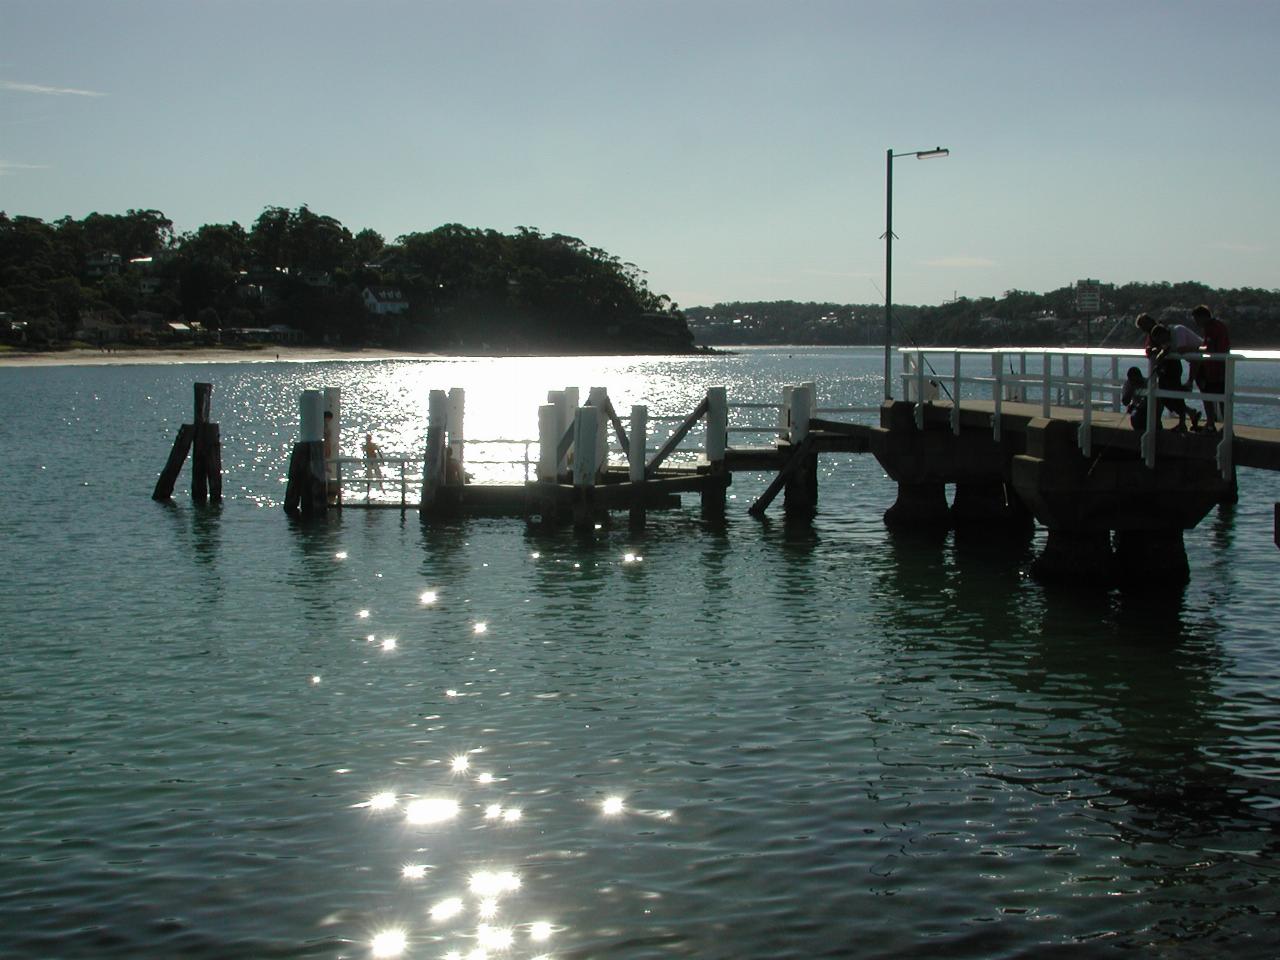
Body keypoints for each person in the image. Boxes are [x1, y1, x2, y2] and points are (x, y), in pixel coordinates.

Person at [1147, 325, 1196, 431]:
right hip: (1166, 369)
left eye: (1159, 338)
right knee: (1165, 397)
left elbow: (1167, 349)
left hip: (1173, 369)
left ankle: (1182, 422)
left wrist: (1160, 354)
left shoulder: (1173, 336)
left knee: (1176, 396)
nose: (1159, 341)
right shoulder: (1164, 341)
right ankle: (1189, 414)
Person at [1192, 304, 1230, 431]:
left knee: (1210, 395)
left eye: (1197, 319)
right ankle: (1224, 425)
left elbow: (1210, 347)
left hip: (1215, 368)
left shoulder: (1211, 328)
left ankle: (1211, 423)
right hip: (1221, 366)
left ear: (1203, 317)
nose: (1196, 322)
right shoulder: (1220, 325)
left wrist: (1196, 348)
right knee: (1221, 397)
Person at [1121, 365, 1149, 430]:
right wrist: (1130, 391)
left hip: (1148, 408)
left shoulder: (1147, 383)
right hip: (1137, 409)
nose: (1135, 382)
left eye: (1136, 379)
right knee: (1135, 416)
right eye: (1132, 380)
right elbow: (1125, 402)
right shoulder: (1128, 384)